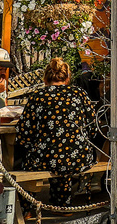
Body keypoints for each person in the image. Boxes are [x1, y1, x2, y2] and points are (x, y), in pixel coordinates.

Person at [14, 57, 98, 208]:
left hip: (47, 157)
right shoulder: (79, 93)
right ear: (67, 79)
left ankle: (26, 206)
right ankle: (62, 204)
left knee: (27, 157)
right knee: (64, 153)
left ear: (45, 79)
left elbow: (23, 134)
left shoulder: (37, 96)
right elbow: (93, 128)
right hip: (79, 157)